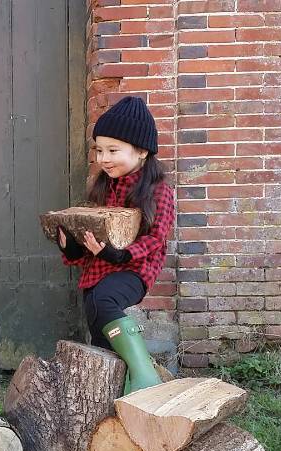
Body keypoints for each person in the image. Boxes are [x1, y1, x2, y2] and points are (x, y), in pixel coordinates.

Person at [58, 96, 175, 394]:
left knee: (104, 301)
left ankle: (145, 374)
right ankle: (112, 392)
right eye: (99, 150)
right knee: (99, 332)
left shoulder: (157, 190)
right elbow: (92, 236)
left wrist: (120, 255)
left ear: (142, 151)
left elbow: (157, 237)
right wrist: (71, 246)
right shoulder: (101, 187)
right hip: (96, 270)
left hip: (134, 270)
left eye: (113, 150)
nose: (104, 158)